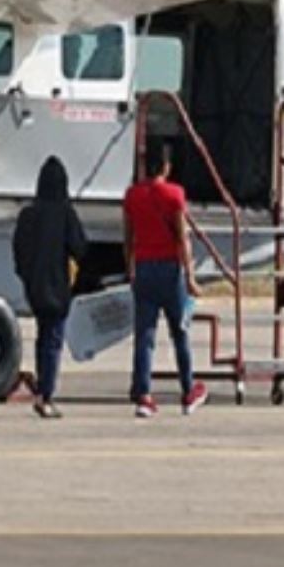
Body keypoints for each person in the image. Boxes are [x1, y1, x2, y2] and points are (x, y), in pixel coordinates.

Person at [123, 142, 208, 419]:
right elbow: (182, 238)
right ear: (167, 167)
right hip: (170, 270)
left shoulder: (132, 196)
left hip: (144, 268)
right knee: (180, 333)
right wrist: (191, 277)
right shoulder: (175, 195)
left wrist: (131, 269)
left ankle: (144, 395)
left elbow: (128, 238)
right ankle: (187, 390)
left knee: (145, 336)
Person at [13, 156, 88, 419]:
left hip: (34, 286)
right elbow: (80, 248)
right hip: (58, 287)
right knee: (53, 340)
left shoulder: (27, 214)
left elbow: (19, 251)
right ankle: (46, 394)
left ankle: (42, 389)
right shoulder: (66, 214)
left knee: (43, 336)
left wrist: (26, 276)